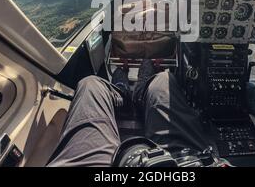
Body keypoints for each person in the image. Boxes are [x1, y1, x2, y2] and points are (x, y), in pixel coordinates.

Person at [47, 60, 215, 167]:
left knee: (90, 84)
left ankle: (124, 87)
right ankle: (142, 85)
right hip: (184, 162)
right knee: (162, 80)